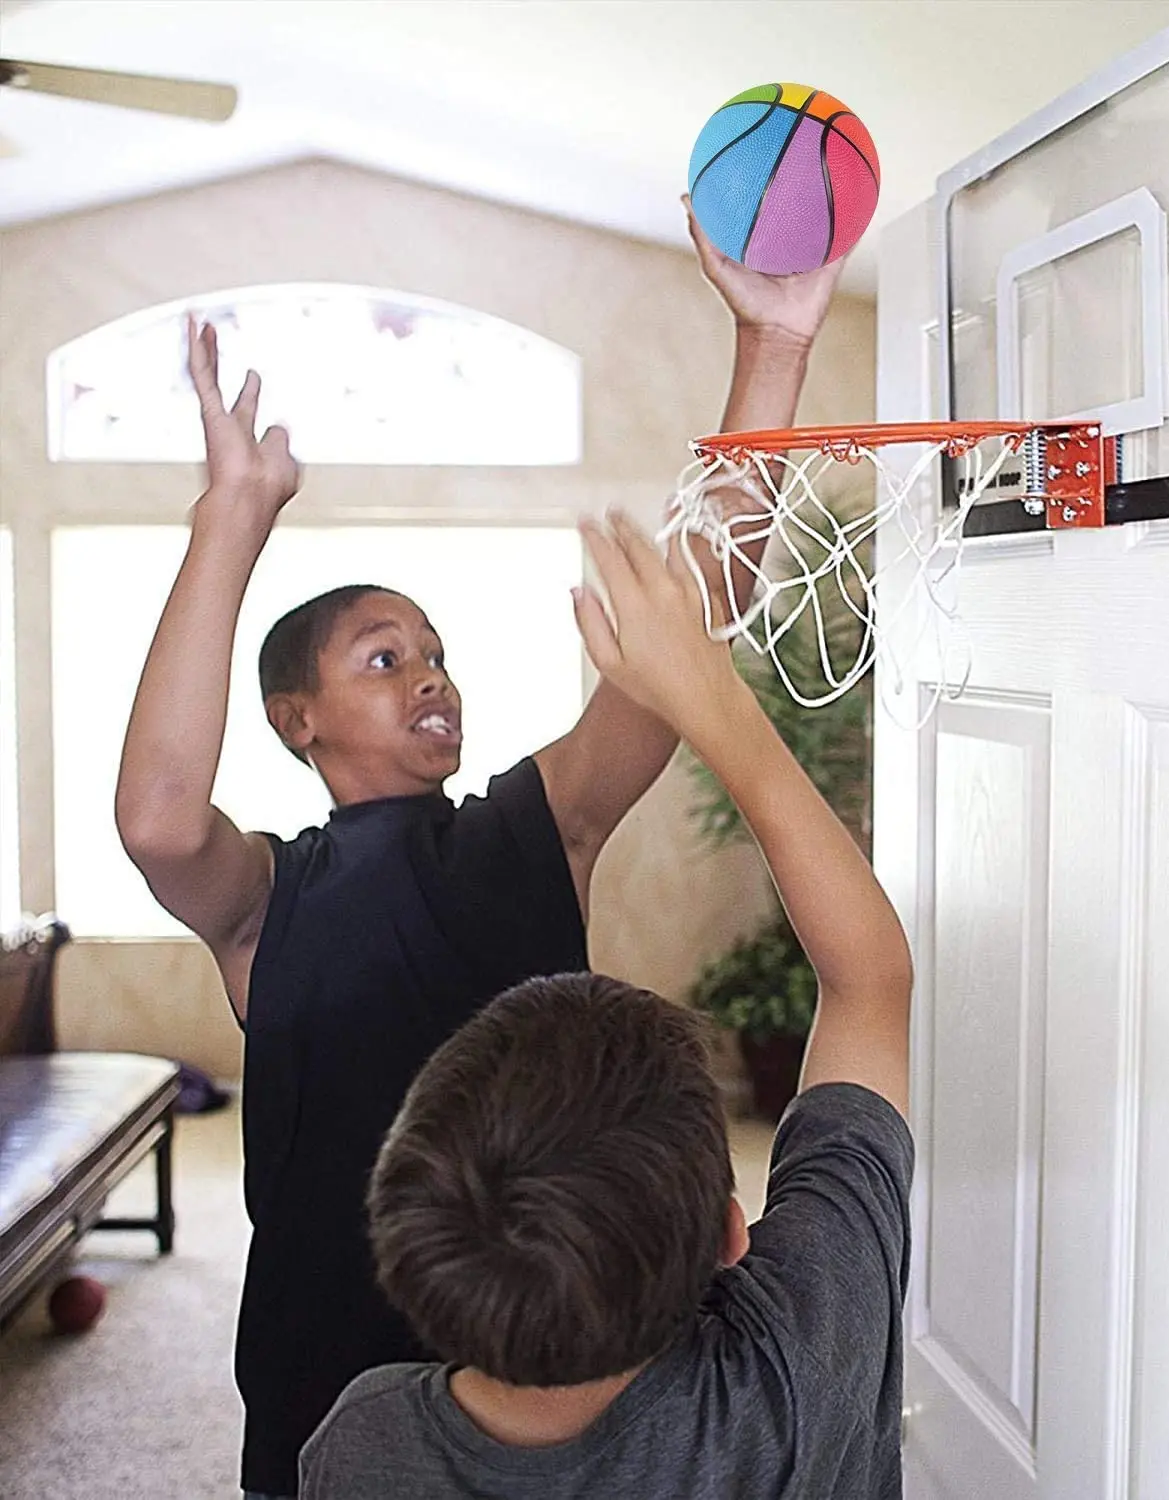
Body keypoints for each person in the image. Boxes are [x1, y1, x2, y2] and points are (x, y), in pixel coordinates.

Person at [114, 212, 843, 1500]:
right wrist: (230, 517)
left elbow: (683, 642)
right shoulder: (266, 901)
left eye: (437, 654)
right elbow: (161, 820)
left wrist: (771, 349)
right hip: (323, 1374)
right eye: (384, 659)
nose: (429, 676)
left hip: (563, 1369)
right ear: (299, 719)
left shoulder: (531, 825)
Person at [298, 511, 914, 1499]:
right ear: (728, 1234)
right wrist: (717, 703)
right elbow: (871, 981)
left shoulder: (364, 1443)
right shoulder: (788, 1375)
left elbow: (868, 984)